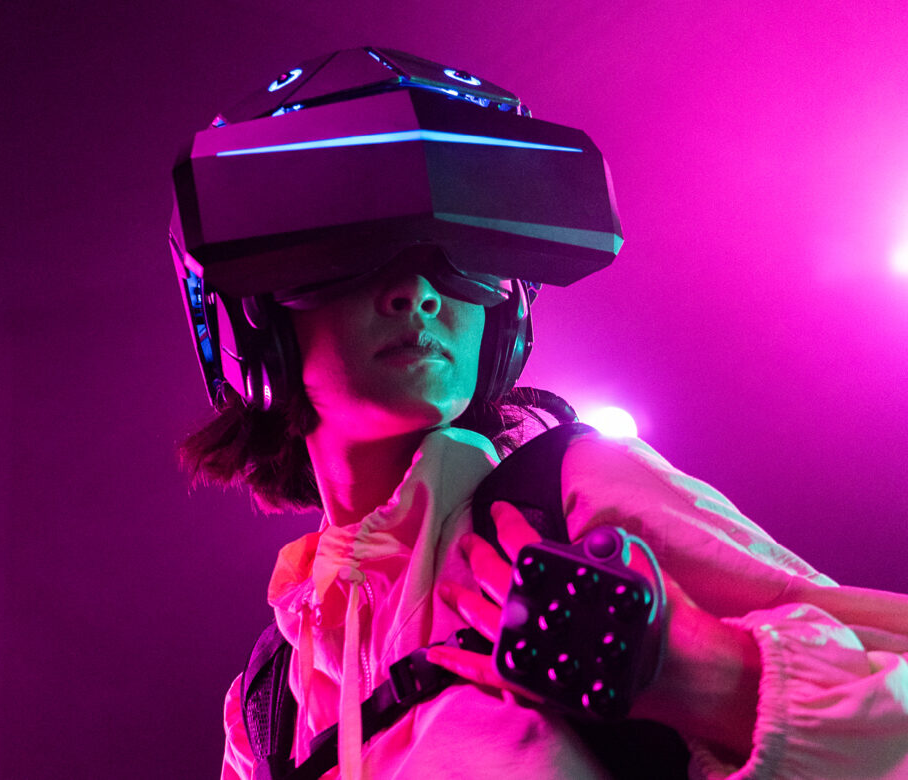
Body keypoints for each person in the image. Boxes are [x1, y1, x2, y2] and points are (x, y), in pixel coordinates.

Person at [171, 48, 908, 779]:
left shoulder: (575, 500)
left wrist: (703, 675)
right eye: (352, 251)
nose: (417, 292)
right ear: (254, 318)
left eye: (459, 251)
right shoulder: (268, 705)